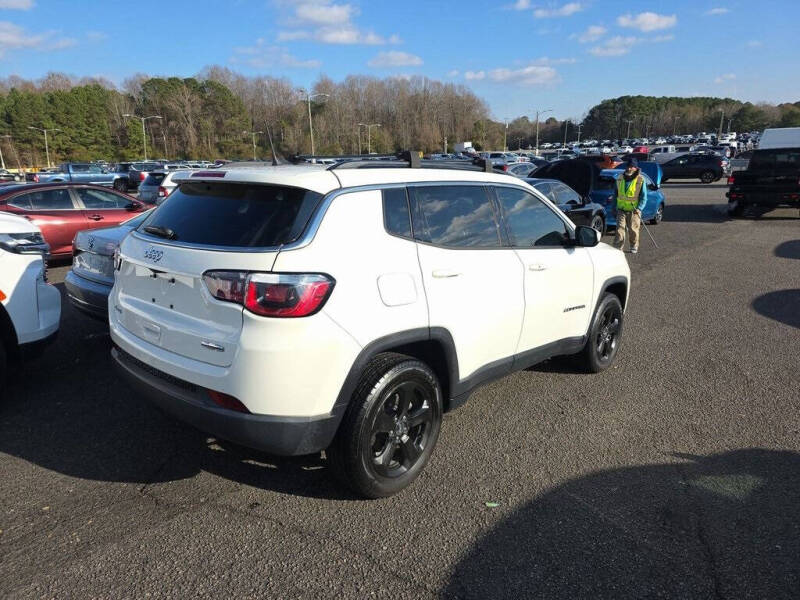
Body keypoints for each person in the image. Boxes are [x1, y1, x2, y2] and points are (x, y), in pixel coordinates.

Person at [613, 157, 647, 254]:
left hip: (634, 210)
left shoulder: (640, 180)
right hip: (621, 209)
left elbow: (644, 197)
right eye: (628, 166)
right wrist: (613, 208)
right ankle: (618, 248)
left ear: (636, 168)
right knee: (620, 229)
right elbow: (615, 194)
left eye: (632, 167)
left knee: (633, 230)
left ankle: (634, 245)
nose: (629, 169)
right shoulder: (619, 178)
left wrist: (639, 208)